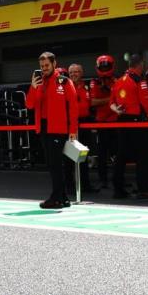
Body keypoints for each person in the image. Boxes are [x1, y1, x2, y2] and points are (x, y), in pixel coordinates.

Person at [27, 52, 78, 209]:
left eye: (47, 65)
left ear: (54, 64)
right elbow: (29, 104)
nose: (44, 68)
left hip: (58, 128)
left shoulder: (64, 81)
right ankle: (63, 198)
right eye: (42, 66)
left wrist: (73, 130)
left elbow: (73, 107)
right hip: (43, 128)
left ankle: (56, 198)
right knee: (52, 164)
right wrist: (33, 87)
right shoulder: (38, 82)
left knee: (55, 164)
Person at [110, 53, 148, 199]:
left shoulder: (118, 81)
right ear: (141, 65)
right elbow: (147, 106)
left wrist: (117, 110)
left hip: (122, 120)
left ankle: (118, 189)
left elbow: (111, 103)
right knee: (144, 155)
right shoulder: (139, 81)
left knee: (121, 156)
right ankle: (143, 189)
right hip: (137, 122)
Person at [89, 55, 117, 189]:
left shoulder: (117, 81)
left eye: (107, 67)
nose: (105, 69)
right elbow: (93, 102)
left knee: (117, 153)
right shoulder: (94, 82)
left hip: (116, 122)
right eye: (103, 67)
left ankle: (118, 179)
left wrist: (107, 99)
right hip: (102, 123)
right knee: (102, 153)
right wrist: (111, 98)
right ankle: (103, 179)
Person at [68, 63, 95, 193]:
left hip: (85, 123)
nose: (73, 74)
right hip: (71, 125)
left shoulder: (86, 87)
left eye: (76, 72)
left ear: (82, 73)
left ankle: (86, 185)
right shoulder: (66, 86)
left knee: (83, 155)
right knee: (69, 157)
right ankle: (69, 186)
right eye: (71, 72)